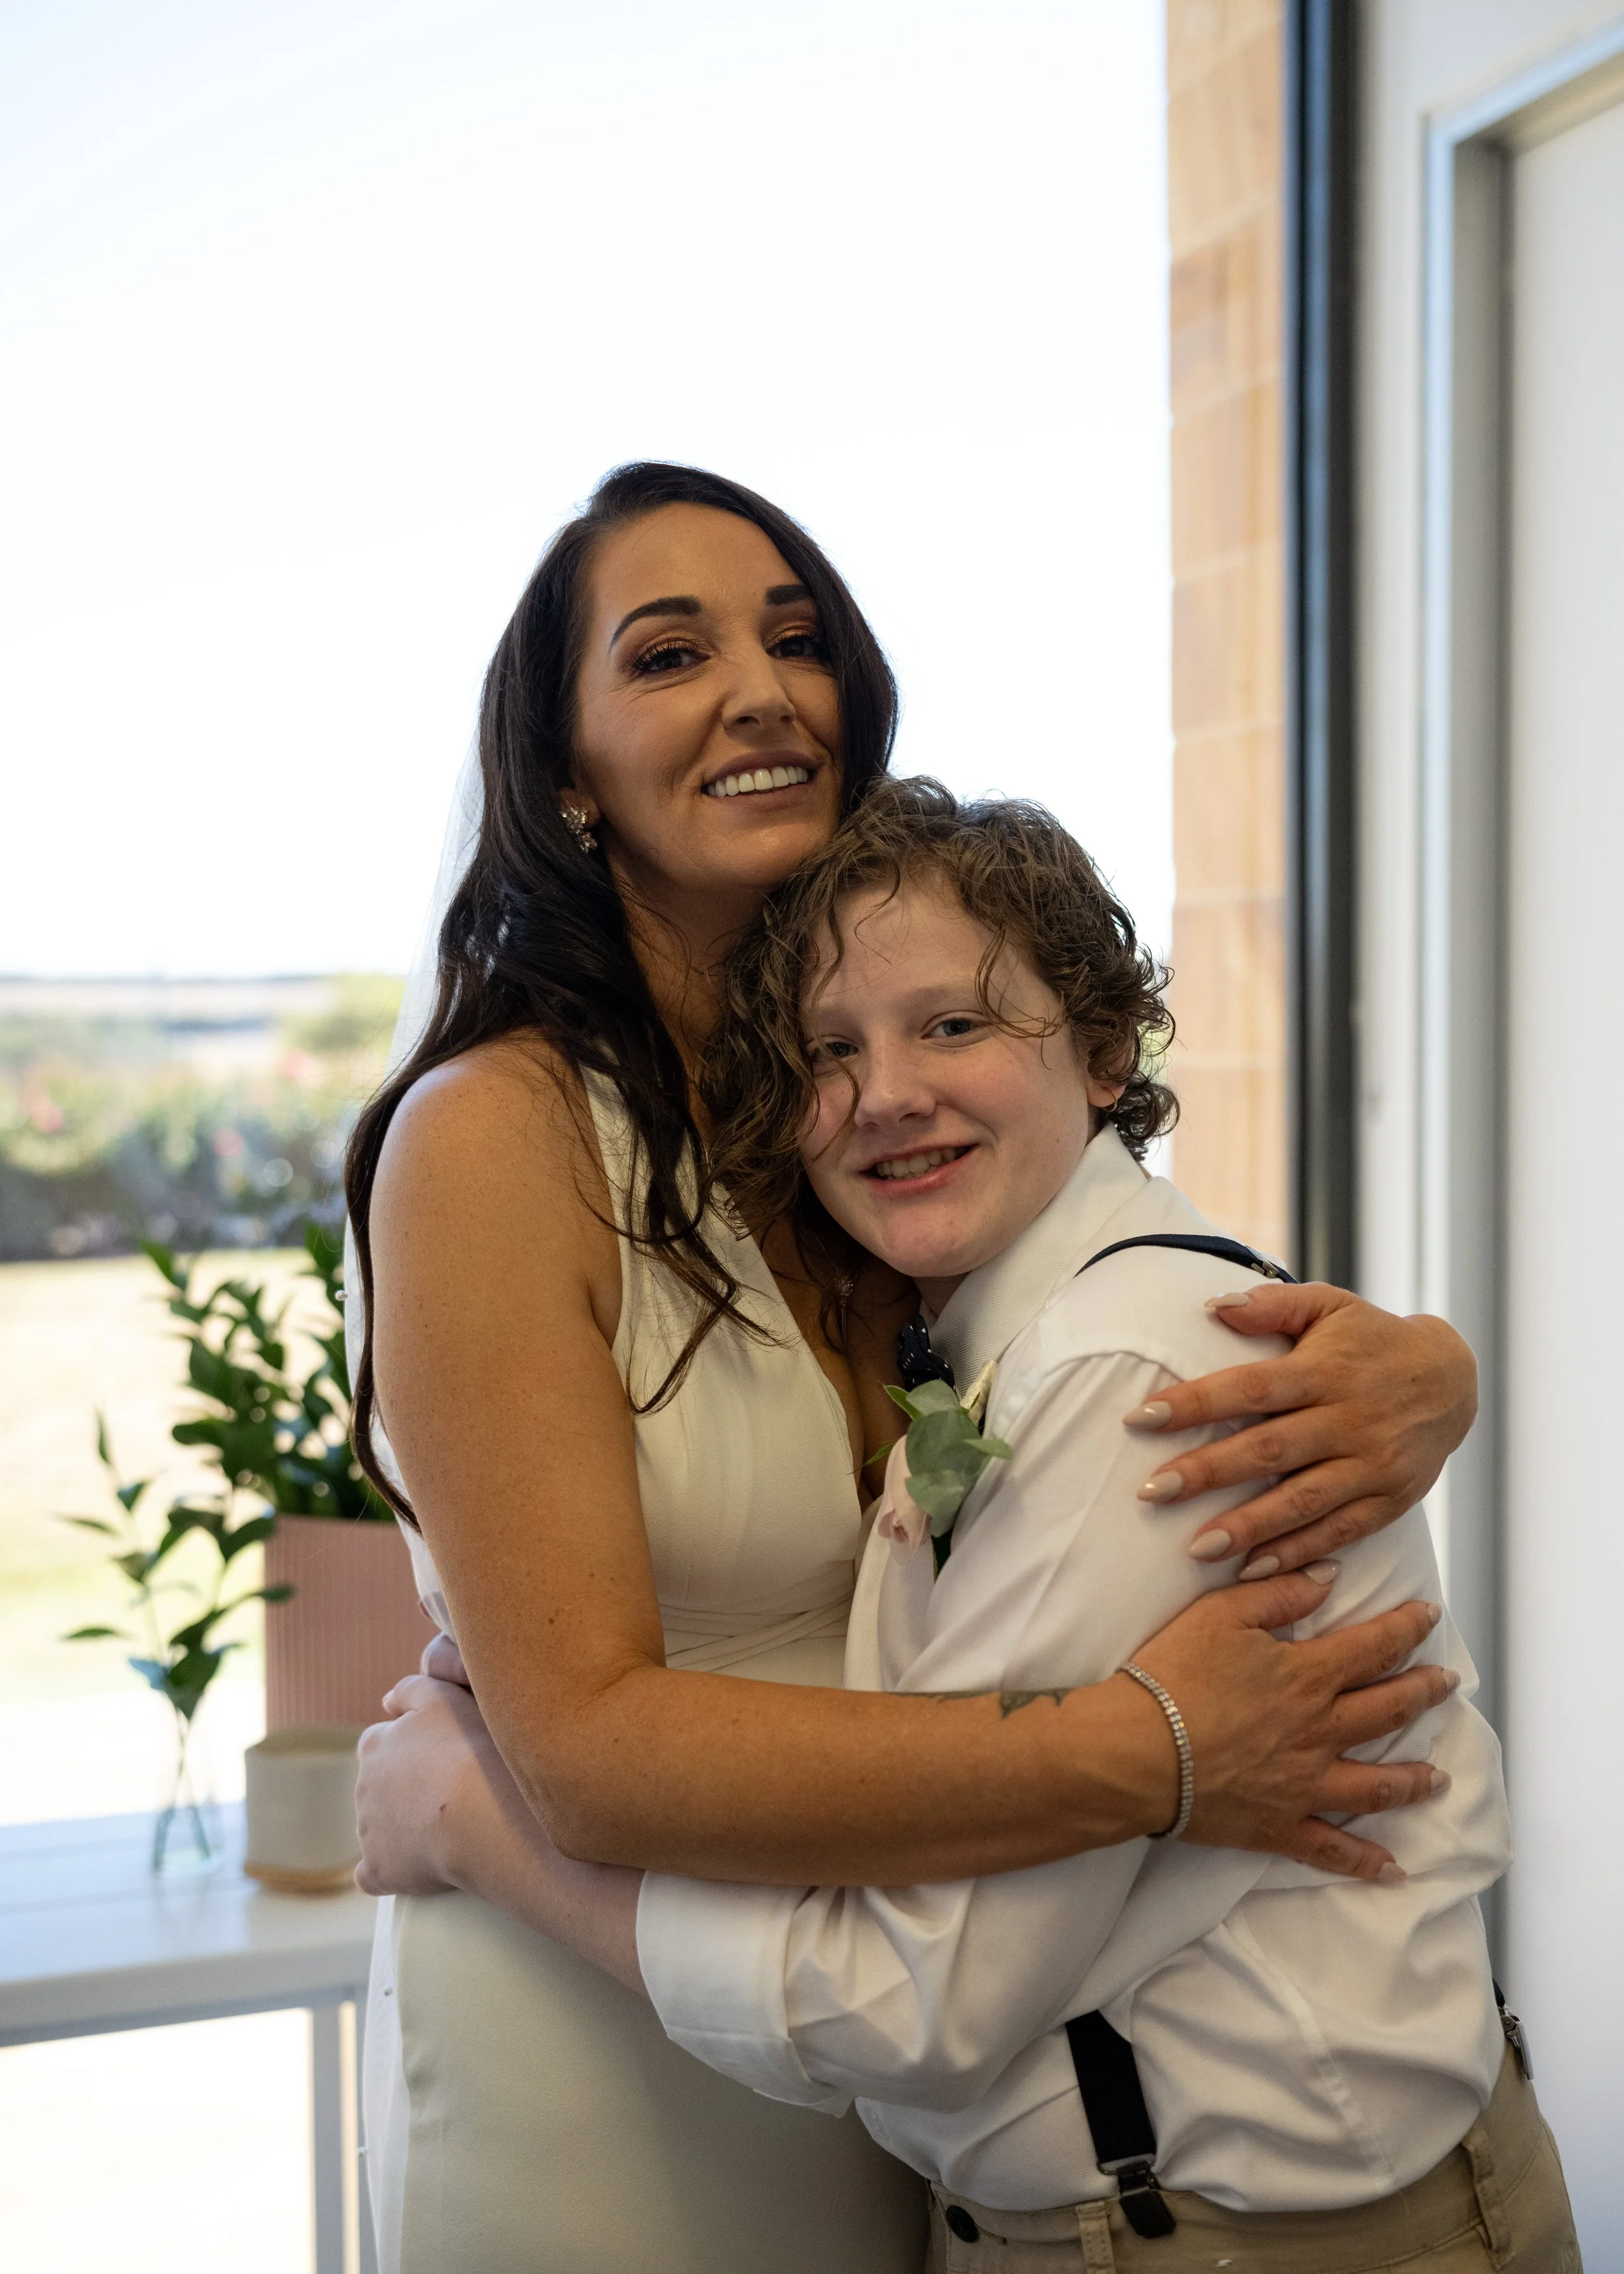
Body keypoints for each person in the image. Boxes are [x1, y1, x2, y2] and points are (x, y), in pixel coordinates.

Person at [347, 463, 1480, 2274]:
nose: (759, 687)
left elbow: (1098, 1336)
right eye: (668, 652)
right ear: (561, 770)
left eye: (797, 640)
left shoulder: (853, 1147)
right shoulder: (497, 1137)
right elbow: (583, 1753)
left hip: (921, 2034)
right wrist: (1148, 1749)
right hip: (614, 2012)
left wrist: (1428, 1370)